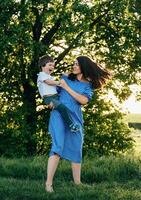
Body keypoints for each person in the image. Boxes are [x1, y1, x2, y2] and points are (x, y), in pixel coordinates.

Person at [45, 56, 111, 192]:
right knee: (57, 146)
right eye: (73, 64)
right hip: (58, 114)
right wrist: (49, 103)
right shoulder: (65, 77)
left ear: (83, 67)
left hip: (75, 118)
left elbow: (83, 101)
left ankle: (77, 183)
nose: (73, 66)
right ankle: (48, 184)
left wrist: (67, 88)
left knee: (76, 147)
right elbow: (53, 93)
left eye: (76, 64)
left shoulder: (87, 85)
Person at [37, 55, 80, 132]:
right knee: (62, 108)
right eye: (50, 65)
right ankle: (71, 125)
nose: (52, 67)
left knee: (65, 108)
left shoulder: (49, 76)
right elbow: (49, 82)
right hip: (49, 98)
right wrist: (59, 82)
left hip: (55, 96)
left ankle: (68, 123)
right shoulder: (41, 75)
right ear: (43, 66)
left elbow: (54, 87)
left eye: (53, 66)